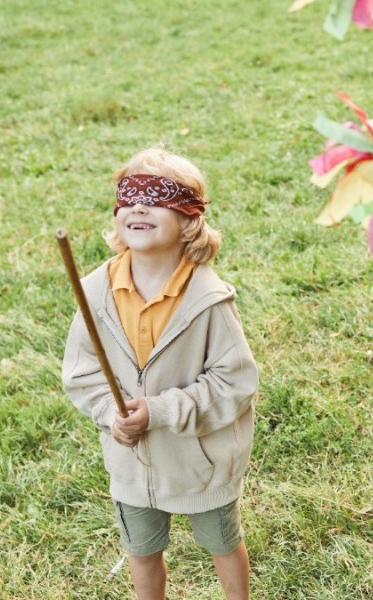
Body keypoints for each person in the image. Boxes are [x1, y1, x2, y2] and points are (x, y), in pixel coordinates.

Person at [62, 147, 258, 600]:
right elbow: (81, 371)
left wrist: (160, 410)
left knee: (221, 542)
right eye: (128, 197)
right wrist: (111, 416)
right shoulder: (95, 293)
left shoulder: (209, 300)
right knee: (141, 550)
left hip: (202, 461)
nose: (138, 205)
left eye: (156, 196)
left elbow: (235, 381)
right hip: (132, 464)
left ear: (189, 218)